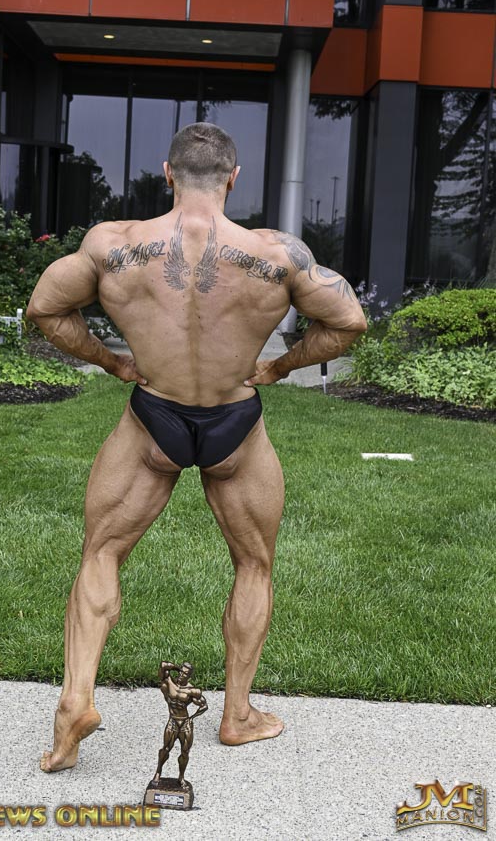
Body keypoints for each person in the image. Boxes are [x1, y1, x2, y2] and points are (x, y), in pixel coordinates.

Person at [26, 122, 367, 773]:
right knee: (254, 564)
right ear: (233, 178)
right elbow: (348, 320)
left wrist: (111, 361)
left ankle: (75, 702)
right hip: (234, 421)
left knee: (102, 552)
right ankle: (237, 716)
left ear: (168, 174)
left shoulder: (113, 245)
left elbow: (44, 309)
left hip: (154, 415)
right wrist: (281, 366)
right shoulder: (278, 254)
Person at [152, 661, 208, 790]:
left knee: (185, 752)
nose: (182, 675)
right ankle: (158, 772)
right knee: (166, 749)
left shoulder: (191, 690)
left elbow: (204, 705)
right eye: (181, 672)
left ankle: (181, 777)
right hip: (173, 720)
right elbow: (163, 665)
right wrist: (177, 668)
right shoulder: (168, 682)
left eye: (185, 674)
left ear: (189, 676)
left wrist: (192, 717)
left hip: (185, 723)